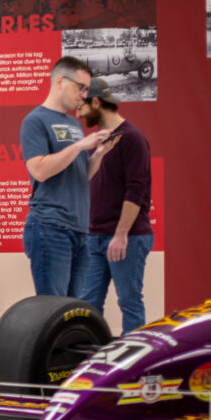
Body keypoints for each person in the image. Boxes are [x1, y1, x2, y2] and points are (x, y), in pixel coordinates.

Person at [19, 56, 114, 296]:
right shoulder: (35, 121)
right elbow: (39, 170)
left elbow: (83, 174)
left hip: (79, 230)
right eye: (80, 87)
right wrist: (80, 145)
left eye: (86, 89)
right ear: (59, 81)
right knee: (52, 312)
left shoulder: (73, 124)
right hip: (50, 228)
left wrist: (99, 154)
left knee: (73, 313)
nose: (84, 95)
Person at [77, 78, 152, 334]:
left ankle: (132, 368)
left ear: (96, 102)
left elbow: (136, 191)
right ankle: (90, 367)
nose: (79, 114)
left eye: (82, 107)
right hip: (94, 237)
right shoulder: (96, 142)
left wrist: (120, 235)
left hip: (126, 238)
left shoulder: (132, 138)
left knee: (129, 303)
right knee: (87, 306)